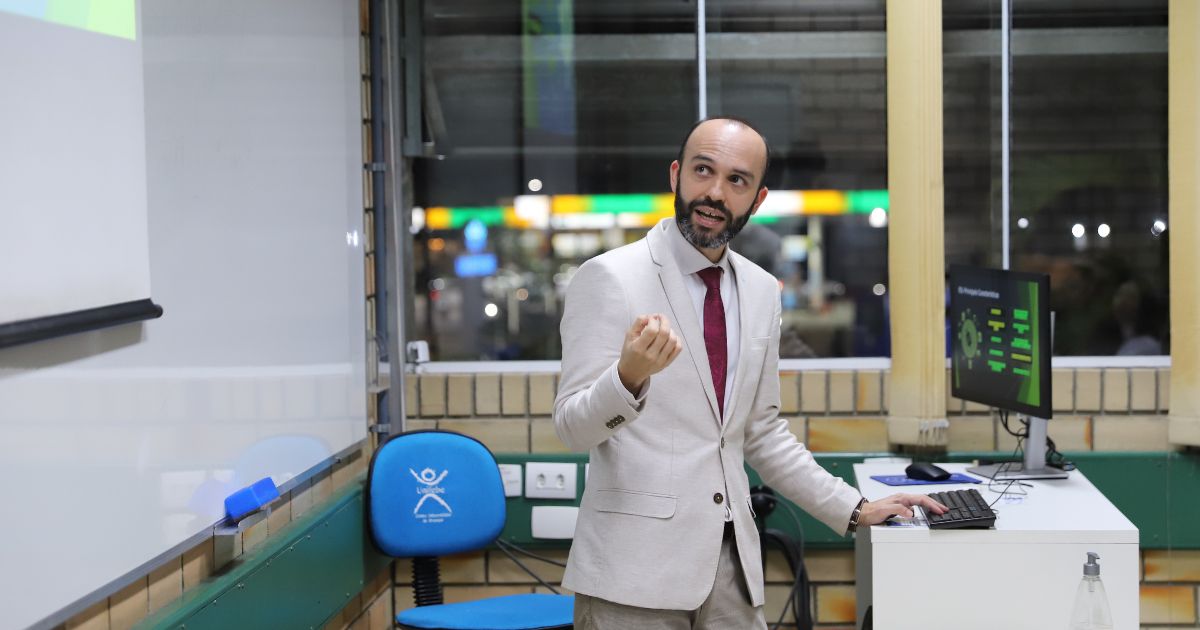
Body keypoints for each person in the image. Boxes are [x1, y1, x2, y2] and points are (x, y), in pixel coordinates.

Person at [554, 116, 947, 628]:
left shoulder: (761, 290)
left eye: (737, 180)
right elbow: (571, 427)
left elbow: (761, 433)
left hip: (732, 567)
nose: (715, 193)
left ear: (757, 200)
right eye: (703, 171)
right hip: (634, 574)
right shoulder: (610, 277)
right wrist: (627, 379)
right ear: (676, 176)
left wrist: (855, 508)